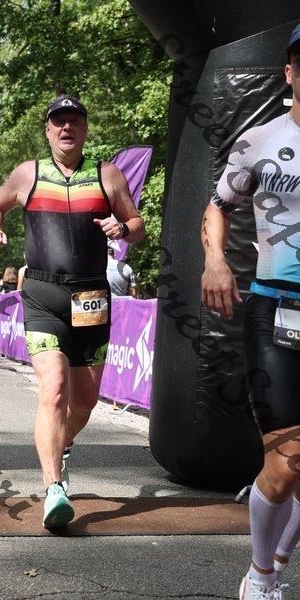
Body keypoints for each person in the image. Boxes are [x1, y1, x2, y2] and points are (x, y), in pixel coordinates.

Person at [0, 94, 144, 529]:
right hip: (42, 294)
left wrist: (123, 227)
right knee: (53, 389)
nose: (66, 127)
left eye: (74, 120)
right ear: (48, 130)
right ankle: (54, 488)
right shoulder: (28, 173)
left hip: (91, 298)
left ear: (84, 129)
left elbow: (138, 225)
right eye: (59, 121)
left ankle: (63, 443)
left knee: (85, 402)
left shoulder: (107, 175)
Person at [201, 25, 300, 600]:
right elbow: (218, 206)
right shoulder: (260, 140)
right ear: (288, 73)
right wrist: (215, 260)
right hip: (276, 310)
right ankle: (259, 577)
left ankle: (278, 563)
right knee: (288, 461)